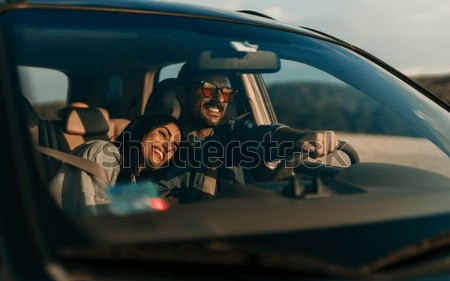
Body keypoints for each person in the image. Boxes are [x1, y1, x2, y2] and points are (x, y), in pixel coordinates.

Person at [157, 62, 339, 203]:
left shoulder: (234, 134)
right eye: (208, 89)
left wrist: (301, 137)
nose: (219, 99)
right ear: (181, 94)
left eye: (226, 93)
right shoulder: (160, 146)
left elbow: (269, 136)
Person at [49, 114, 181, 217]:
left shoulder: (132, 178)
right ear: (142, 129)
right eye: (163, 134)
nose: (168, 146)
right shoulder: (104, 152)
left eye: (174, 148)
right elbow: (91, 213)